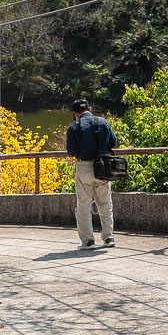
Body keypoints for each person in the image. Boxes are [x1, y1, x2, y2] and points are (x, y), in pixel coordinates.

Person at [66, 98, 117, 250]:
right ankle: (108, 238)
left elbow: (72, 151)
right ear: (90, 109)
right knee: (105, 203)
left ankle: (88, 241)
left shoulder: (74, 127)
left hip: (85, 167)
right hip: (104, 167)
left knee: (83, 205)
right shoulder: (103, 122)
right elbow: (113, 142)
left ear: (76, 113)